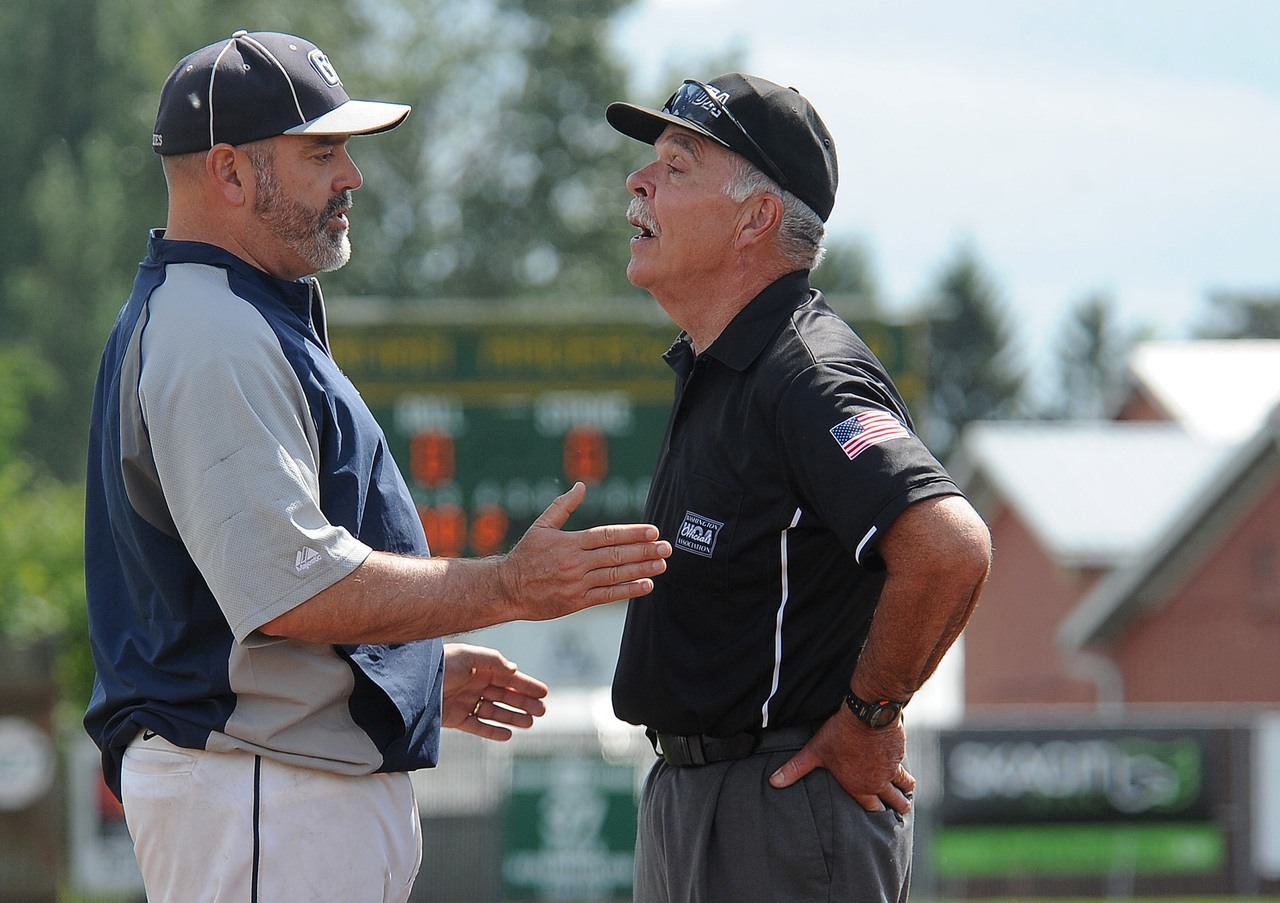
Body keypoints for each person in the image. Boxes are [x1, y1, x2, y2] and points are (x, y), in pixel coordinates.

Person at [84, 30, 670, 903]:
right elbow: (293, 591)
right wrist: (508, 585)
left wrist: (411, 673)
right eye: (322, 152)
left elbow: (254, 596)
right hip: (260, 791)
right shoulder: (212, 334)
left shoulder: (236, 312)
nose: (351, 176)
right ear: (231, 173)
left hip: (272, 789)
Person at [604, 74, 993, 902]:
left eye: (678, 167)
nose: (638, 180)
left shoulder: (807, 372)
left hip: (779, 805)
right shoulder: (724, 362)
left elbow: (950, 549)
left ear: (756, 219)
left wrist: (870, 718)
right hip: (695, 797)